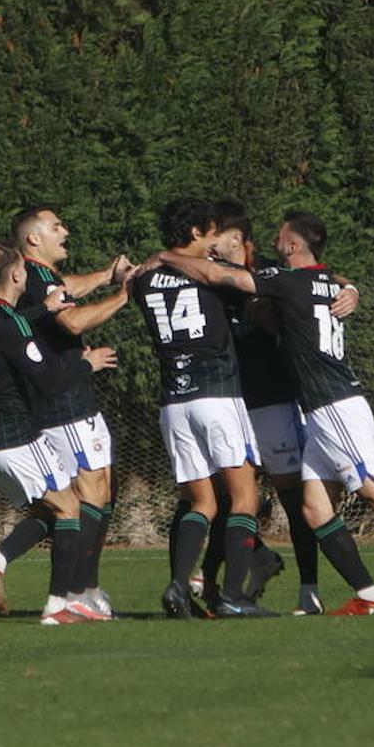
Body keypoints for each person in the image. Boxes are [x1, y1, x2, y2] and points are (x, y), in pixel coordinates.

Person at [157, 209, 374, 615]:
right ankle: (369, 596)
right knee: (314, 508)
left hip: (334, 406)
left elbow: (223, 277)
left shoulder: (288, 282)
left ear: (291, 246)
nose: (273, 242)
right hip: (321, 409)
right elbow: (335, 280)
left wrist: (167, 257)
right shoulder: (321, 281)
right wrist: (354, 288)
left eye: (279, 237)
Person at [130, 198, 276, 618]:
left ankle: (179, 587)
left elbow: (137, 278)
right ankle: (232, 596)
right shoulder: (210, 277)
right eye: (212, 232)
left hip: (174, 402)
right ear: (196, 233)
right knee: (244, 497)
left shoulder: (145, 278)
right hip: (217, 395)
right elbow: (232, 279)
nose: (215, 241)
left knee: (202, 503)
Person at [0, 241, 118, 624]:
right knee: (70, 509)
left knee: (49, 507)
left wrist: (42, 309)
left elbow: (9, 329)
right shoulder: (10, 322)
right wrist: (89, 364)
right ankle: (57, 607)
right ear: (17, 275)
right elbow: (48, 382)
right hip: (13, 437)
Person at [0, 206, 132, 617]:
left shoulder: (42, 278)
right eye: (56, 227)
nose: (65, 231)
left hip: (73, 401)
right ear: (33, 239)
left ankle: (84, 587)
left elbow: (68, 287)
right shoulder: (35, 277)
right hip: (64, 404)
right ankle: (75, 594)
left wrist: (107, 275)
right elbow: (72, 322)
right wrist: (125, 294)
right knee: (89, 495)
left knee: (98, 493)